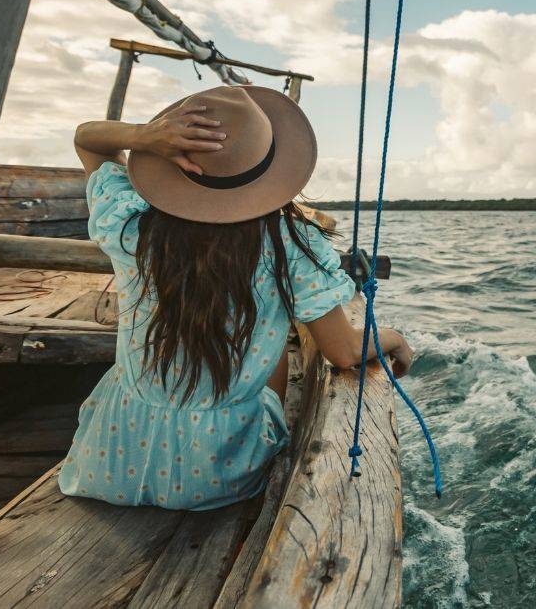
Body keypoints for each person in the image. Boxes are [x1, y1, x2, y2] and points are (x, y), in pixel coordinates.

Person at [58, 85, 413, 510]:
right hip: (216, 473)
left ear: (175, 160)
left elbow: (86, 139)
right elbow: (344, 352)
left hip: (111, 459)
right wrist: (392, 337)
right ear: (271, 173)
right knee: (275, 337)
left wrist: (145, 136)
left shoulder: (131, 224)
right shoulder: (291, 244)